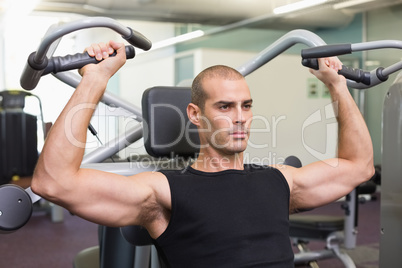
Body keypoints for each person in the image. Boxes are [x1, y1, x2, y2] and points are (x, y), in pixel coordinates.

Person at [31, 40, 374, 267]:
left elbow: (359, 167)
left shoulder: (280, 180)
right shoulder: (163, 191)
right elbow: (54, 183)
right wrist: (95, 79)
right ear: (196, 114)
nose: (240, 116)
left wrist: (337, 85)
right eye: (225, 106)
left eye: (246, 105)